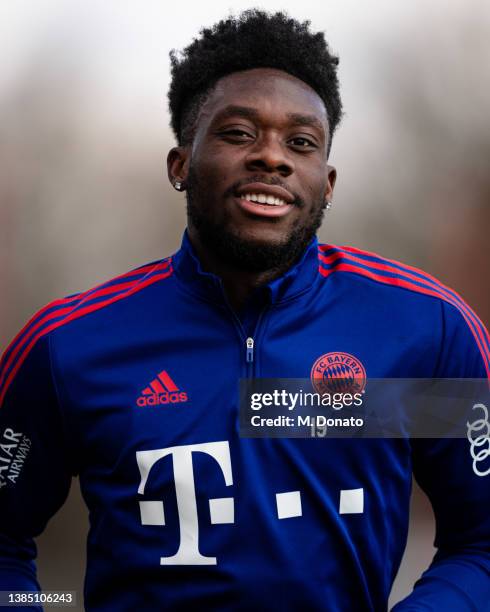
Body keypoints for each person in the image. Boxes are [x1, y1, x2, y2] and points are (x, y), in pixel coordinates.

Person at [1, 9, 489, 611]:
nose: (272, 157)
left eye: (301, 143)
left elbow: (481, 541)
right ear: (181, 165)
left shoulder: (421, 329)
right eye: (238, 133)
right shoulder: (71, 344)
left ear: (327, 182)